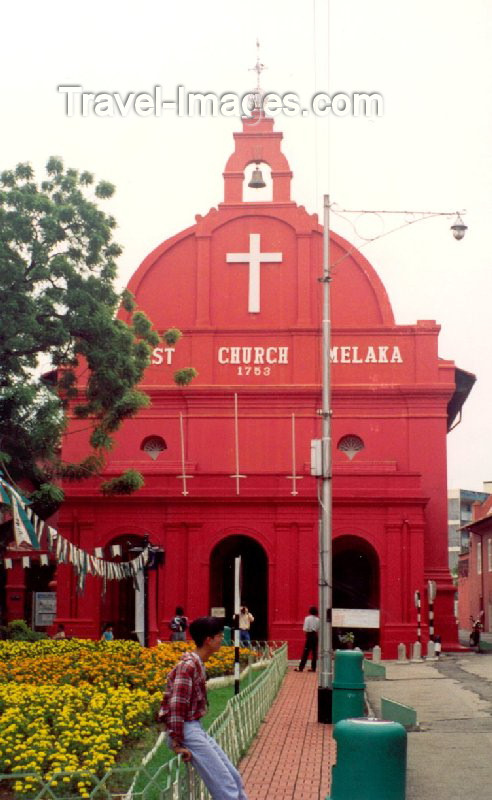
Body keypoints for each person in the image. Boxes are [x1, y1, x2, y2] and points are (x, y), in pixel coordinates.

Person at [159, 616, 249, 800]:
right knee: (226, 787)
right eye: (218, 636)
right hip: (186, 730)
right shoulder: (188, 666)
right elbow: (177, 704)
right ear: (209, 640)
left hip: (194, 727)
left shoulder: (197, 663)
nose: (222, 640)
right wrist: (176, 741)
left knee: (234, 779)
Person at [295, 606, 320, 672]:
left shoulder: (307, 618)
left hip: (309, 635)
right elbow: (318, 628)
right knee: (314, 653)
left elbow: (305, 629)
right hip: (315, 635)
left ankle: (301, 667)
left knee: (306, 652)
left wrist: (307, 635)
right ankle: (313, 668)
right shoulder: (318, 619)